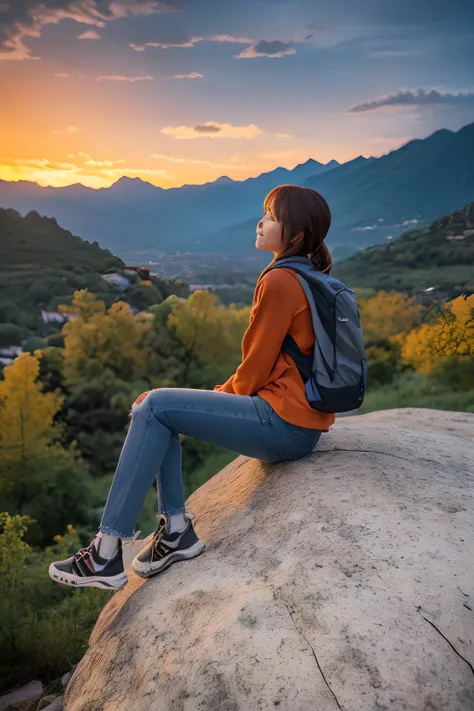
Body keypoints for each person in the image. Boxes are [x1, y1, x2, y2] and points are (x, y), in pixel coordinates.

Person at [49, 184, 337, 590]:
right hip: (299, 424)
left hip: (284, 425)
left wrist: (217, 397)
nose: (260, 221)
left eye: (271, 216)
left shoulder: (280, 282)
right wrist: (210, 400)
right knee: (156, 408)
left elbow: (255, 369)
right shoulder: (309, 274)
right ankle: (175, 532)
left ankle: (105, 553)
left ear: (296, 233)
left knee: (154, 407)